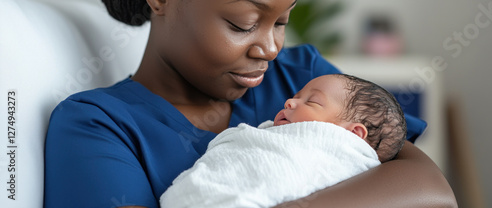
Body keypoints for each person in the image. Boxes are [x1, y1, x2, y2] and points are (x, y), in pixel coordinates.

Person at [44, 0, 457, 207]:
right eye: (243, 24)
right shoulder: (98, 126)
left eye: (281, 22)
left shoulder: (305, 79)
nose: (271, 48)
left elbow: (431, 191)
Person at [160, 74, 407, 208]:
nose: (289, 102)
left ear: (353, 135)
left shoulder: (339, 157)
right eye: (296, 96)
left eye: (311, 102)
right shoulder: (273, 138)